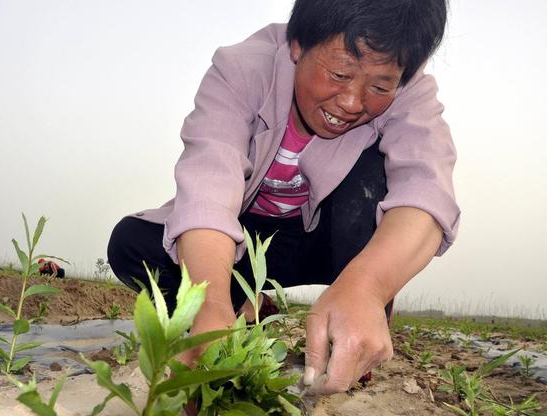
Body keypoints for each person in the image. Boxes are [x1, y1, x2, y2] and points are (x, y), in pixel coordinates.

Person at [108, 0, 459, 395]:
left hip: (328, 242)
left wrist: (369, 286)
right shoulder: (241, 69)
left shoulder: (409, 90)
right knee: (131, 242)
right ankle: (239, 306)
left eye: (379, 86)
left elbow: (427, 191)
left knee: (375, 178)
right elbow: (208, 184)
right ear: (297, 44)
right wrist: (210, 305)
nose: (351, 102)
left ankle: (354, 323)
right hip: (242, 241)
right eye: (340, 73)